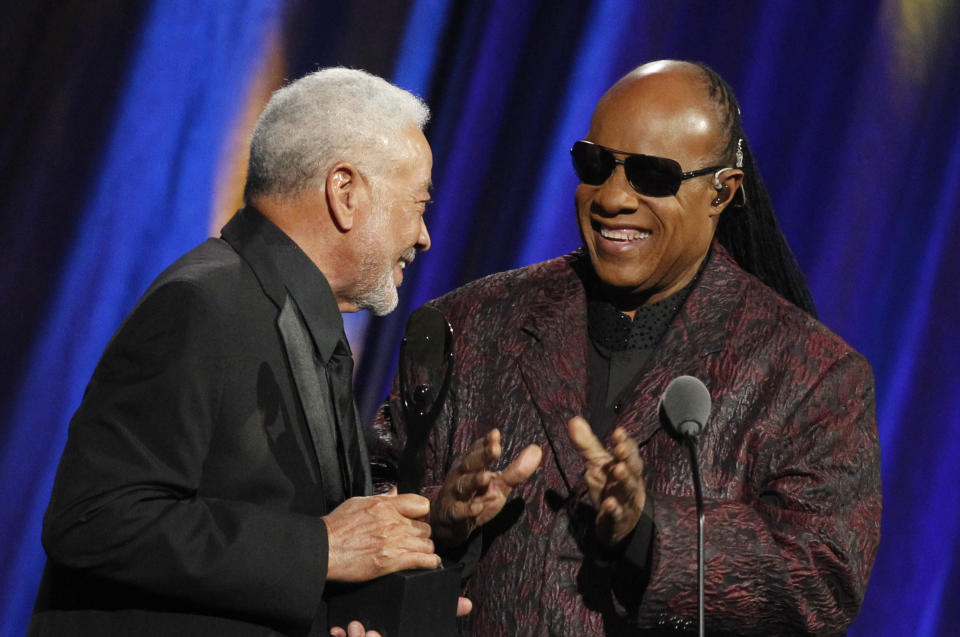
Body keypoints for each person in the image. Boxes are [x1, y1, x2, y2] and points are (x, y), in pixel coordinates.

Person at [374, 60, 882, 635]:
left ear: (722, 191)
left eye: (651, 175)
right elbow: (367, 495)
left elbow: (821, 581)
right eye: (595, 165)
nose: (613, 197)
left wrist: (647, 532)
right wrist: (437, 515)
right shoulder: (467, 325)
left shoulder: (812, 375)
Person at [30, 68, 465, 637]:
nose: (425, 236)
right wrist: (324, 548)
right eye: (418, 204)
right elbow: (94, 519)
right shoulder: (201, 306)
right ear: (345, 192)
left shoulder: (298, 321)